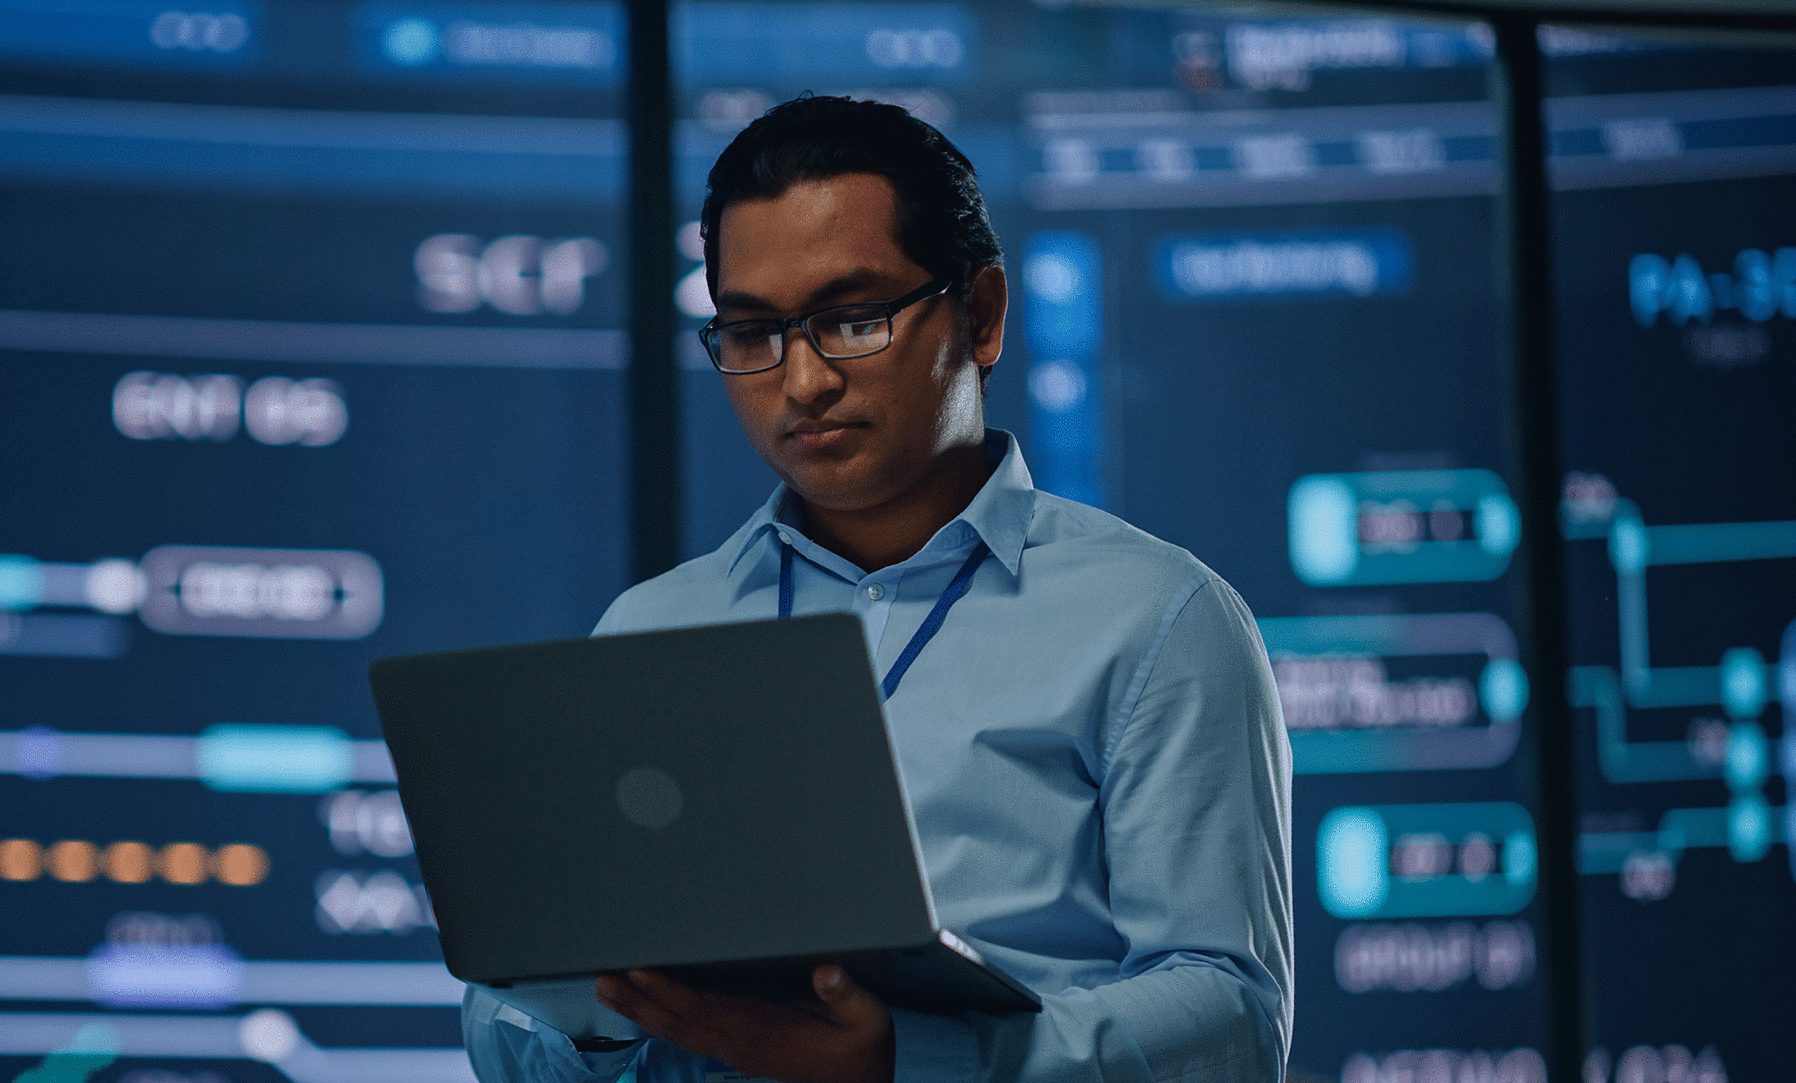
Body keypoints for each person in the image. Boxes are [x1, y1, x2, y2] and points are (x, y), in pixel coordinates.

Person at [460, 96, 1292, 1083]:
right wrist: (596, 1019)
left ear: (978, 314)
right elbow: (505, 1026)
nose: (802, 381)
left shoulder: (1157, 618)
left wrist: (912, 1062)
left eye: (852, 319)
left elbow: (1231, 1022)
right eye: (752, 331)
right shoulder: (648, 629)